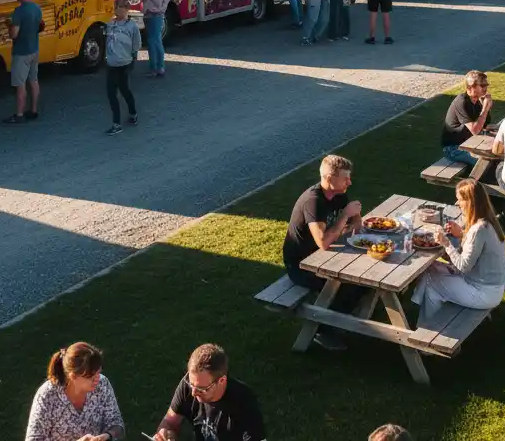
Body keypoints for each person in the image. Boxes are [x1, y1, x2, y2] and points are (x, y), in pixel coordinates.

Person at [282, 154, 363, 351]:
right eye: (345, 178)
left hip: (325, 258)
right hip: (301, 265)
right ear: (328, 179)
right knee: (348, 286)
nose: (349, 182)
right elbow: (324, 242)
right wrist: (345, 216)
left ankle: (346, 317)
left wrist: (354, 216)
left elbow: (356, 227)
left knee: (364, 283)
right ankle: (322, 331)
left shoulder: (339, 193)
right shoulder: (313, 201)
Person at [411, 179, 505, 324]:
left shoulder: (478, 229)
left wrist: (446, 243)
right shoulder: (488, 222)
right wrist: (461, 234)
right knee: (431, 267)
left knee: (432, 283)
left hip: (483, 292)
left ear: (470, 202)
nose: (457, 204)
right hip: (489, 284)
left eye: (460, 200)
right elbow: (476, 252)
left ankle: (426, 329)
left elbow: (463, 266)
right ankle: (419, 305)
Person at [153, 344, 265, 441]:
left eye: (202, 389)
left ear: (221, 381)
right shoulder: (190, 384)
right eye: (191, 385)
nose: (193, 393)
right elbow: (170, 421)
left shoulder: (244, 401)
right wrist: (166, 433)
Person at [25, 342, 124, 441]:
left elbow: (116, 423)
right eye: (91, 376)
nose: (97, 379)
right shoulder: (47, 395)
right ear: (73, 376)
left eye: (99, 372)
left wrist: (107, 435)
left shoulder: (102, 384)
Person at [2, 0, 44, 125]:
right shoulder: (37, 8)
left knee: (20, 85)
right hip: (34, 50)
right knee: (33, 80)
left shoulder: (19, 11)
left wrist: (9, 25)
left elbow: (14, 34)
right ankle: (33, 110)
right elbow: (40, 26)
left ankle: (19, 114)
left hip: (21, 52)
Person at [105, 0, 141, 135]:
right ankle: (116, 123)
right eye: (115, 7)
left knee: (125, 90)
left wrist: (132, 59)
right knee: (111, 93)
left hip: (124, 63)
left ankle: (132, 113)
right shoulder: (110, 24)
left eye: (119, 7)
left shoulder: (132, 26)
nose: (116, 9)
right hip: (112, 63)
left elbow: (136, 45)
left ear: (126, 9)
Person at [441, 71, 494, 163]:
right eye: (482, 85)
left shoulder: (477, 100)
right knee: (485, 162)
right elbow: (475, 130)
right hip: (454, 148)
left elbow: (485, 124)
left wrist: (485, 107)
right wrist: (485, 109)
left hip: (470, 143)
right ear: (471, 87)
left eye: (486, 85)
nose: (485, 88)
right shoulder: (462, 102)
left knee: (496, 153)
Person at [143, 0, 170, 78]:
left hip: (156, 14)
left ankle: (158, 67)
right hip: (149, 13)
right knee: (152, 41)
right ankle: (155, 67)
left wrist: (161, 10)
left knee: (155, 40)